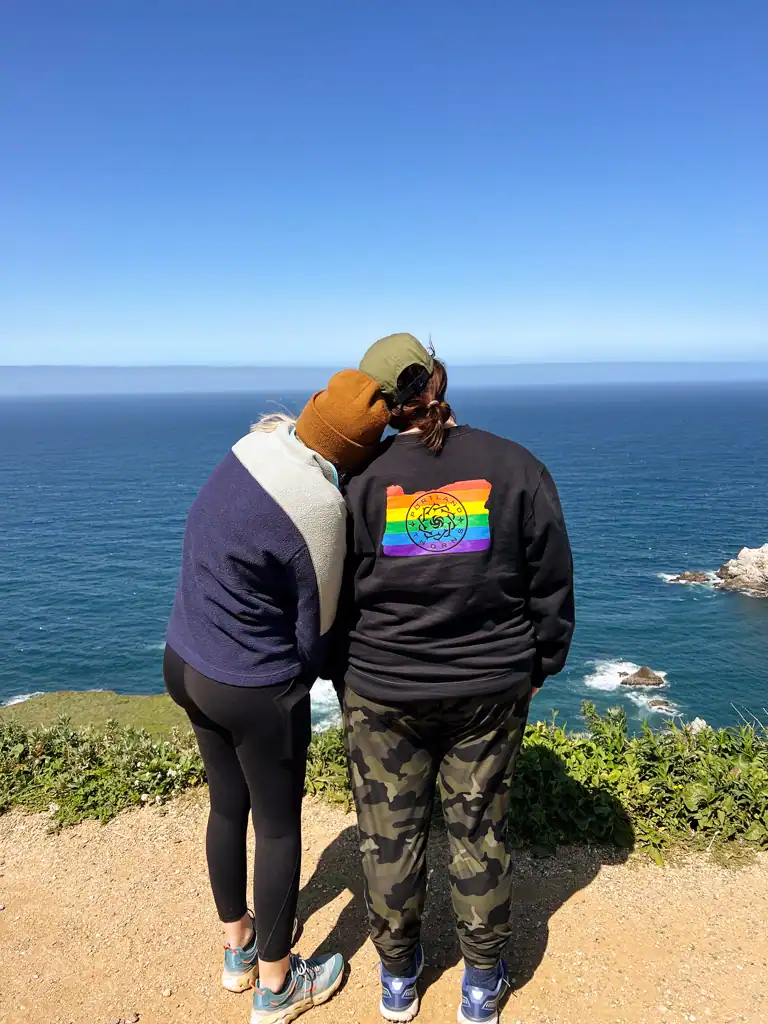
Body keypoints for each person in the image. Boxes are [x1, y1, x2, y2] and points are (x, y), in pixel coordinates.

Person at [335, 334, 575, 1024]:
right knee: (479, 829)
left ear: (382, 405)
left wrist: (338, 671)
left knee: (389, 836)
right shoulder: (515, 465)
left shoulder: (361, 480)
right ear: (439, 380)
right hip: (489, 687)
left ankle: (399, 980)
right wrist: (541, 664)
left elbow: (332, 595)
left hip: (382, 689)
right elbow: (551, 580)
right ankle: (479, 985)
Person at [163, 371, 389, 1024]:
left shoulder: (253, 445)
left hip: (186, 659)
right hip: (250, 687)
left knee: (226, 807)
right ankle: (277, 986)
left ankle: (237, 949)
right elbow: (314, 634)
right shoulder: (320, 507)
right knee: (280, 827)